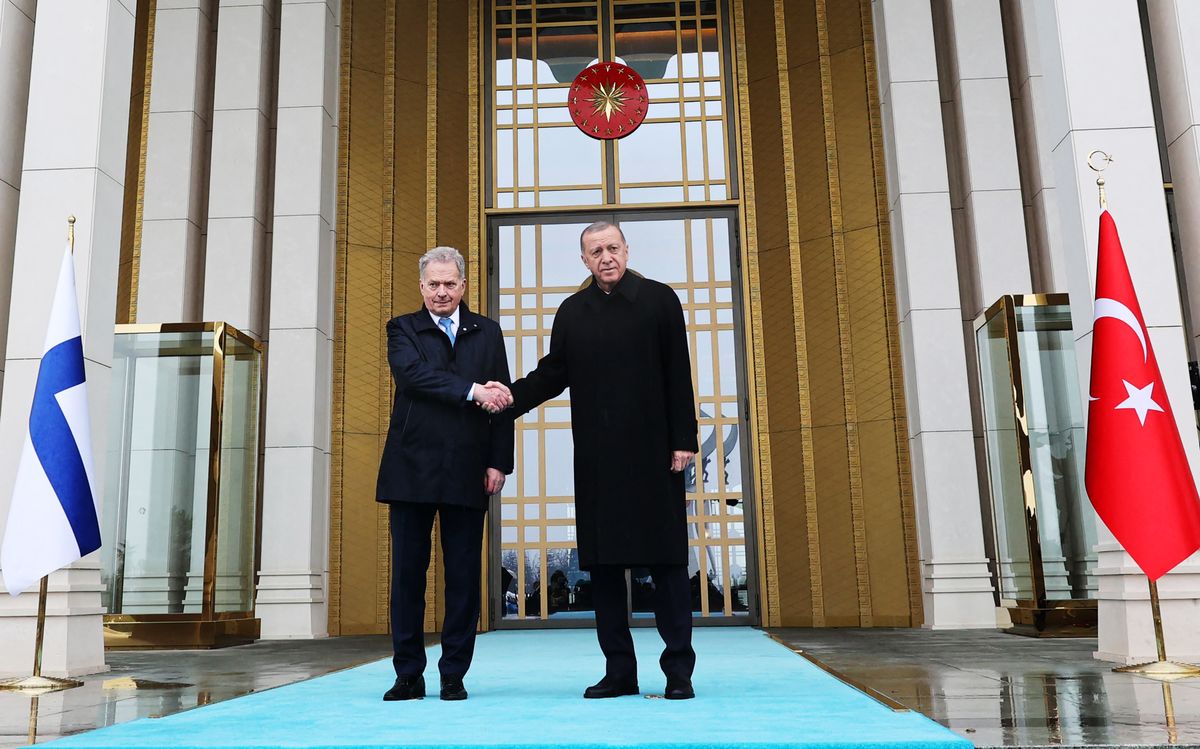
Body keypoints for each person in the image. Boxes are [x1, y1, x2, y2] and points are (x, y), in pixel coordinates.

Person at [502, 221, 699, 700]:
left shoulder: (660, 300)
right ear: (584, 260)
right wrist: (507, 399)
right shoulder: (573, 312)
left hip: (656, 456)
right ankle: (619, 672)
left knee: (668, 564)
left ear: (627, 250)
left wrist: (684, 440)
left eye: (612, 248)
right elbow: (553, 373)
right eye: (596, 251)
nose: (606, 257)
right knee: (606, 569)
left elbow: (679, 371)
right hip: (597, 458)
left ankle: (678, 672)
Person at [375, 246, 513, 702]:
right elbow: (413, 377)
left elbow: (502, 400)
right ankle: (408, 675)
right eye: (433, 284)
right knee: (407, 578)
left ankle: (454, 674)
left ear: (463, 285)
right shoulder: (402, 329)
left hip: (468, 469)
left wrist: (499, 461)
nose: (441, 292)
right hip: (410, 470)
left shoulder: (487, 332)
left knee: (463, 579)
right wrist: (473, 390)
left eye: (449, 284)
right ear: (421, 286)